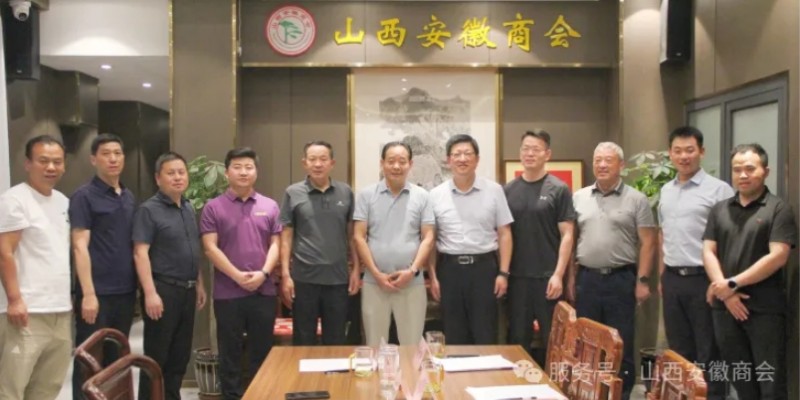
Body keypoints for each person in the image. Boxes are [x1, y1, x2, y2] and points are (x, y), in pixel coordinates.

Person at [703, 143, 796, 400]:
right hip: (725, 308)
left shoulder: (778, 209)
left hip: (764, 310)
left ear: (765, 171)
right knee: (741, 379)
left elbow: (778, 256)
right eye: (737, 170)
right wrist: (725, 291)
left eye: (750, 169)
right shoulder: (719, 209)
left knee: (770, 382)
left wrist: (732, 284)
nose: (742, 175)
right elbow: (708, 250)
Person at [569, 141, 656, 400]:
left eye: (608, 160)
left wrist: (643, 280)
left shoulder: (637, 199)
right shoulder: (579, 197)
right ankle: (588, 394)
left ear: (621, 165)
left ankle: (622, 394)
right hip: (587, 279)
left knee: (621, 343)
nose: (602, 165)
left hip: (621, 279)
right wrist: (571, 278)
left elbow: (649, 242)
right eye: (598, 160)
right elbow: (572, 240)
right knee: (588, 344)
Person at [657, 127, 733, 400]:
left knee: (709, 351)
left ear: (701, 151)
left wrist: (720, 281)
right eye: (677, 151)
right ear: (670, 154)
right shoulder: (666, 190)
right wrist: (662, 276)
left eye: (689, 150)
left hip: (705, 280)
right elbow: (663, 235)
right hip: (673, 279)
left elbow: (730, 240)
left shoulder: (719, 190)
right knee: (679, 351)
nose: (683, 156)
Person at [201, 147, 282, 399]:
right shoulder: (213, 207)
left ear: (256, 172)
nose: (243, 172)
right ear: (227, 172)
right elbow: (209, 247)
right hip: (228, 294)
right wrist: (237, 276)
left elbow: (276, 244)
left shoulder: (270, 205)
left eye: (249, 167)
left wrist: (264, 273)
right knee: (230, 355)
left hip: (264, 291)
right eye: (237, 167)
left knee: (262, 352)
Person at [0, 135, 71, 399]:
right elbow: (4, 252)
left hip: (60, 309)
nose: (51, 167)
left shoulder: (63, 201)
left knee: (47, 387)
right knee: (12, 388)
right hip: (27, 311)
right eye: (43, 161)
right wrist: (14, 300)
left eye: (57, 162)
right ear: (28, 163)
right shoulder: (15, 200)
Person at [133, 152, 206, 400]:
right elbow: (140, 253)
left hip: (187, 291)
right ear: (158, 178)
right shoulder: (148, 210)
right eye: (171, 173)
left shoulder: (187, 207)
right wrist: (150, 293)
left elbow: (192, 249)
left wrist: (199, 283)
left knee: (179, 357)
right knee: (156, 358)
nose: (177, 177)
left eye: (181, 172)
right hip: (163, 290)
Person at [70, 133, 137, 399]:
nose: (113, 159)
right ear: (93, 159)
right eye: (106, 154)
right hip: (96, 293)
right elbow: (79, 246)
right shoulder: (84, 196)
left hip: (125, 292)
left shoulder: (128, 196)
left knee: (116, 360)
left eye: (117, 153)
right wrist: (88, 294)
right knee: (89, 360)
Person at [428, 134, 513, 345]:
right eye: (457, 154)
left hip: (484, 270)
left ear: (477, 159)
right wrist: (433, 276)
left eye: (468, 154)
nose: (462, 159)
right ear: (448, 160)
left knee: (485, 333)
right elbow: (431, 239)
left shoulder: (494, 191)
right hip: (449, 270)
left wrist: (503, 273)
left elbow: (505, 233)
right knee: (454, 334)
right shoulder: (436, 195)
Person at [505, 130, 575, 367]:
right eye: (525, 148)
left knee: (554, 342)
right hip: (517, 279)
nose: (530, 153)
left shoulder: (559, 189)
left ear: (547, 154)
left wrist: (558, 275)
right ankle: (517, 385)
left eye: (536, 149)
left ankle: (554, 386)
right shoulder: (508, 190)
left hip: (548, 279)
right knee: (517, 341)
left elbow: (567, 235)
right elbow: (503, 235)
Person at [353, 141, 435, 346]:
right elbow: (358, 236)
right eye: (391, 161)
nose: (396, 166)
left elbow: (428, 237)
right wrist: (376, 274)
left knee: (411, 345)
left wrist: (412, 271)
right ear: (382, 163)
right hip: (374, 282)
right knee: (375, 345)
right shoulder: (366, 195)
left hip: (411, 283)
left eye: (402, 161)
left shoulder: (422, 196)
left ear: (410, 164)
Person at [280, 141, 360, 345]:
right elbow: (286, 237)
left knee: (336, 339)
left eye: (323, 159)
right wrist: (286, 275)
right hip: (304, 279)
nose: (318, 164)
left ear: (332, 163)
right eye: (312, 159)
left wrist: (356, 270)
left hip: (338, 279)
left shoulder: (345, 192)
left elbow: (352, 235)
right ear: (304, 163)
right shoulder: (293, 192)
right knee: (303, 339)